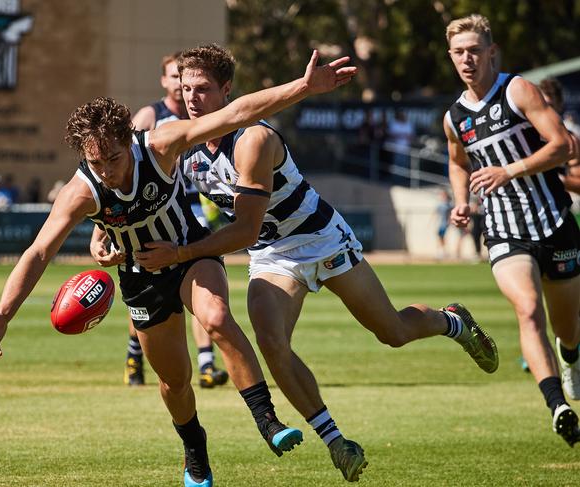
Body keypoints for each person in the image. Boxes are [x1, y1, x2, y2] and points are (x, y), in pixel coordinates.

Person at [0, 51, 358, 487]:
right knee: (175, 381)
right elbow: (38, 253)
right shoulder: (82, 191)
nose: (107, 171)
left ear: (128, 140)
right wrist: (5, 311)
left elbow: (238, 112)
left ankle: (267, 421)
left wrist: (304, 87)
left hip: (190, 251)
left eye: (113, 159)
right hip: (140, 278)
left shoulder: (161, 143)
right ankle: (195, 451)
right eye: (95, 163)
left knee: (217, 318)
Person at [135, 44, 499, 482]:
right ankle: (335, 441)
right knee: (272, 343)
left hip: (321, 238)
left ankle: (451, 321)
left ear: (226, 90)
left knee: (393, 332)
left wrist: (180, 254)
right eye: (184, 87)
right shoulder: (182, 142)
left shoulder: (254, 140)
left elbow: (245, 230)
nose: (191, 97)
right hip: (273, 255)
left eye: (203, 88)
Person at [443, 14, 580, 447]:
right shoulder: (453, 117)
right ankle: (557, 404)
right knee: (526, 308)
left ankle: (571, 356)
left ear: (491, 52)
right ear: (451, 57)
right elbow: (457, 160)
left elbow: (562, 144)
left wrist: (512, 169)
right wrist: (461, 200)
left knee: (567, 326)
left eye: (474, 51)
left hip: (554, 221)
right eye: (459, 52)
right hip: (503, 228)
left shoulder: (517, 89)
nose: (467, 59)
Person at [91, 52, 229, 389]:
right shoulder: (152, 116)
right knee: (144, 280)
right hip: (146, 213)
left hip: (190, 210)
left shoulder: (205, 113)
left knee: (201, 286)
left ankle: (207, 362)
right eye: (175, 80)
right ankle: (134, 354)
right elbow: (121, 176)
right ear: (166, 82)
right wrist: (103, 229)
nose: (184, 90)